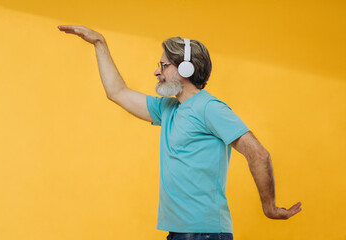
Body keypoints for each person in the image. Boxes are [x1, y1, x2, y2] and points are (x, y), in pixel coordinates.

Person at [58, 25, 302, 240]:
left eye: (163, 65)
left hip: (203, 233)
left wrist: (269, 207)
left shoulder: (209, 108)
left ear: (185, 69)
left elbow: (258, 153)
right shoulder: (168, 108)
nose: (157, 72)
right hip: (181, 233)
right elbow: (117, 92)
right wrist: (100, 42)